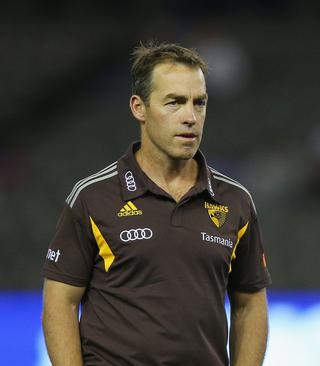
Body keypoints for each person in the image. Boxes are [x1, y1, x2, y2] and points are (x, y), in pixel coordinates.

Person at [41, 42, 271, 365]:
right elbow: (59, 302)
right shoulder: (92, 198)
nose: (191, 117)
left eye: (199, 103)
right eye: (175, 102)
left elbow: (250, 304)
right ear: (139, 107)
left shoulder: (236, 202)